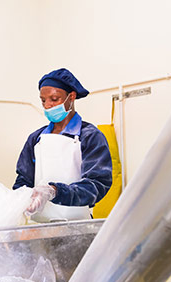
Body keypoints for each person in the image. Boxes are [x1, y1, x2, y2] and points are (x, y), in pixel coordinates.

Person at [14, 68, 112, 220]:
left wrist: (55, 191)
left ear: (71, 97)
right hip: (39, 225)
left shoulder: (90, 136)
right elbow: (23, 181)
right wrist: (21, 199)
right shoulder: (36, 139)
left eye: (54, 99)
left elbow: (97, 185)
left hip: (77, 225)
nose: (47, 106)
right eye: (43, 100)